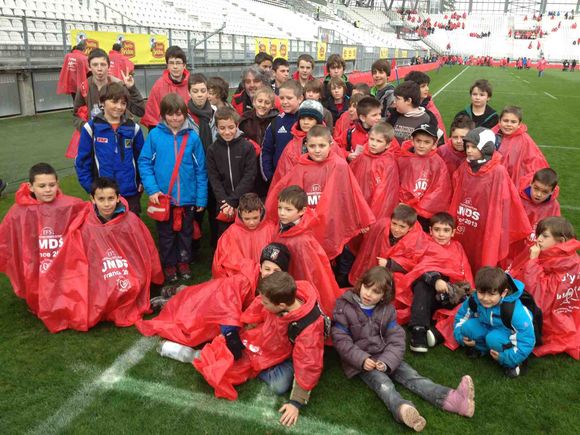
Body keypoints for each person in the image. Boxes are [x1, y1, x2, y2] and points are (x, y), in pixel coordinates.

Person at [333, 266, 475, 432]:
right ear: (360, 284)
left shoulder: (387, 310)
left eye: (375, 292)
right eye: (367, 287)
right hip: (362, 362)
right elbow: (341, 340)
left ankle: (455, 400)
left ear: (383, 296)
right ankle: (403, 409)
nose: (368, 294)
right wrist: (362, 360)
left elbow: (397, 339)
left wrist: (387, 361)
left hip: (385, 355)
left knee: (413, 377)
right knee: (383, 384)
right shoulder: (344, 306)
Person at [193, 271, 325, 430]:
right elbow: (257, 307)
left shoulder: (308, 329)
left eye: (266, 303)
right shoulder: (279, 295)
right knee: (232, 349)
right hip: (269, 339)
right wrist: (245, 325)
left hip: (289, 354)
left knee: (279, 385)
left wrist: (296, 402)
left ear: (281, 306)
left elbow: (309, 363)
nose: (262, 303)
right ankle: (261, 365)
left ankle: (260, 367)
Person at [137, 243, 291, 349]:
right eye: (267, 269)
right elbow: (228, 303)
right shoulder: (245, 280)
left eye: (276, 271)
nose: (270, 274)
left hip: (218, 296)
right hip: (217, 298)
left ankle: (175, 293)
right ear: (260, 267)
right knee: (193, 317)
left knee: (194, 298)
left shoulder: (279, 286)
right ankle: (167, 301)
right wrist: (230, 331)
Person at [266, 126, 375, 261]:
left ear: (330, 144)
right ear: (306, 145)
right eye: (312, 146)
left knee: (329, 262)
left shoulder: (339, 165)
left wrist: (361, 219)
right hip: (307, 226)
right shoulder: (300, 167)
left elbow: (351, 194)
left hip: (332, 224)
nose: (317, 150)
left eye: (322, 145)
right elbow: (285, 191)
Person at [0, 163, 86, 332]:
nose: (47, 190)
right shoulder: (19, 211)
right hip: (35, 260)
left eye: (51, 185)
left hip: (61, 259)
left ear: (57, 184)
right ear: (30, 186)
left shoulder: (69, 205)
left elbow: (89, 216)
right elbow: (7, 237)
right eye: (42, 186)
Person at [138, 93, 208, 283]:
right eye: (170, 114)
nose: (175, 118)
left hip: (187, 198)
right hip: (162, 198)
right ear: (163, 115)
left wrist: (201, 198)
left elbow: (201, 169)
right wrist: (152, 189)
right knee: (166, 235)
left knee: (186, 234)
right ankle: (169, 265)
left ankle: (184, 262)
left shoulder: (193, 138)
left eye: (179, 114)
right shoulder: (154, 135)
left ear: (185, 115)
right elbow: (144, 163)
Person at [80, 177, 163, 328]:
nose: (106, 204)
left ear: (118, 198)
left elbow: (144, 249)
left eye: (111, 198)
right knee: (105, 293)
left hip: (128, 268)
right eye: (101, 199)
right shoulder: (87, 224)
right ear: (92, 199)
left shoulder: (130, 220)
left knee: (130, 287)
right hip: (103, 270)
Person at [449, 127, 531, 275]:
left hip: (485, 223)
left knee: (483, 253)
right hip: (466, 218)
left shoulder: (497, 171)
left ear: (486, 147)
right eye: (467, 147)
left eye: (474, 147)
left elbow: (505, 201)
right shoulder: (466, 166)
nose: (469, 150)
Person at [404, 212, 473, 352]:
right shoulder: (424, 243)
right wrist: (436, 280)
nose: (441, 234)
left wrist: (464, 289)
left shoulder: (457, 247)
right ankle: (418, 330)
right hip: (426, 295)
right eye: (437, 230)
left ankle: (437, 334)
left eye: (446, 230)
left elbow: (464, 271)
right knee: (422, 284)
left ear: (453, 232)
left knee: (471, 304)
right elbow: (419, 268)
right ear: (430, 231)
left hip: (450, 293)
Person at [513, 217, 580, 359]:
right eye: (538, 235)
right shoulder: (564, 257)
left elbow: (539, 296)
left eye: (544, 236)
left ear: (561, 241)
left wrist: (532, 262)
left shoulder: (563, 263)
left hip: (551, 323)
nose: (538, 239)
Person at [271, 185, 341, 317]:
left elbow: (309, 273)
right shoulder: (282, 227)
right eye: (279, 208)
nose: (282, 213)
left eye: (288, 209)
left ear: (302, 211)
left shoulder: (302, 239)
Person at [75, 82, 145, 215]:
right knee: (105, 232)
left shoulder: (133, 128)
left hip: (130, 192)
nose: (119, 107)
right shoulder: (91, 128)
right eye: (114, 102)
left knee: (130, 231)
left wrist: (141, 181)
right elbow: (82, 163)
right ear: (102, 102)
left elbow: (142, 159)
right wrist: (91, 188)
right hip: (104, 195)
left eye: (123, 103)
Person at [454, 267, 536, 377]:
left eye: (491, 294)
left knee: (493, 339)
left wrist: (506, 357)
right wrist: (460, 337)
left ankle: (515, 362)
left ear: (503, 293)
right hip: (487, 326)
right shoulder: (474, 299)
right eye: (481, 292)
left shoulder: (514, 311)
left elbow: (527, 340)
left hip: (506, 334)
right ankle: (481, 349)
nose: (485, 298)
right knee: (467, 328)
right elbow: (461, 317)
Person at [348, 205, 430, 303]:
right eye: (394, 224)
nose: (396, 229)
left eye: (402, 227)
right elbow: (368, 240)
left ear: (410, 228)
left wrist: (389, 264)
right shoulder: (382, 226)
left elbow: (413, 264)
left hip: (392, 273)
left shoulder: (416, 240)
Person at [206, 107, 257, 237]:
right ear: (216, 128)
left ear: (237, 126)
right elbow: (214, 178)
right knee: (225, 236)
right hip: (223, 204)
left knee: (246, 235)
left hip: (245, 201)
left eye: (231, 127)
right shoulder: (212, 150)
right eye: (222, 128)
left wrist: (233, 201)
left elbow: (249, 176)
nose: (227, 132)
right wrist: (225, 202)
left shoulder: (247, 147)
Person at [73, 48, 145, 131]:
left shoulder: (119, 85)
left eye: (103, 64)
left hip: (118, 134)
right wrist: (87, 128)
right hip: (95, 136)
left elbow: (140, 111)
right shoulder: (84, 87)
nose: (99, 69)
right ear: (89, 67)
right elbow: (76, 115)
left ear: (108, 66)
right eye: (95, 65)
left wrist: (132, 88)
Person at [397, 124, 451, 230]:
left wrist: (418, 208)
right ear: (412, 141)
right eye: (418, 141)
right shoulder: (402, 158)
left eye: (427, 142)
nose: (421, 145)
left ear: (434, 144)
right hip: (401, 208)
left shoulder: (437, 163)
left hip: (422, 215)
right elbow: (395, 182)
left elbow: (439, 190)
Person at [211, 193, 277, 278]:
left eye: (255, 218)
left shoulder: (271, 229)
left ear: (261, 212)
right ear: (240, 214)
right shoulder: (231, 233)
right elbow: (228, 260)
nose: (251, 222)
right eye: (247, 219)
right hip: (243, 279)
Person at [349, 122, 400, 221]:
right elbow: (350, 179)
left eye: (379, 141)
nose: (373, 144)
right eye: (371, 139)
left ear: (388, 145)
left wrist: (370, 217)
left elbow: (384, 196)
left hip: (374, 211)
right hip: (358, 205)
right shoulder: (362, 156)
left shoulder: (388, 163)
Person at [260, 80, 304, 183]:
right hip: (280, 179)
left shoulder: (309, 120)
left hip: (304, 178)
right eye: (281, 98)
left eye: (289, 98)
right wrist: (270, 177)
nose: (284, 101)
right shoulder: (276, 122)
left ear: (300, 98)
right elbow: (266, 151)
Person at [493, 106, 548, 186]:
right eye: (505, 121)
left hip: (515, 179)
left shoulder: (525, 139)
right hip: (495, 177)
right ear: (499, 121)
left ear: (519, 124)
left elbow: (534, 159)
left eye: (513, 122)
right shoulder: (492, 134)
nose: (509, 124)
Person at [141, 46, 190, 130]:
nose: (175, 67)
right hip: (164, 130)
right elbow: (152, 114)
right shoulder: (159, 85)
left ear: (184, 65)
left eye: (178, 63)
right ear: (167, 65)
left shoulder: (191, 84)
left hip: (187, 130)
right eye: (171, 63)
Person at [404, 70, 447, 142]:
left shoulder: (431, 111)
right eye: (423, 86)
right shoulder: (401, 108)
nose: (427, 89)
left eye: (427, 85)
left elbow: (440, 137)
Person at [386, 81, 434, 145]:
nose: (394, 102)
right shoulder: (394, 116)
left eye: (397, 99)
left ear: (408, 101)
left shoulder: (428, 119)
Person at [518, 168, 561, 238]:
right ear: (531, 183)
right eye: (536, 188)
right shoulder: (518, 198)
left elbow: (555, 228)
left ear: (552, 192)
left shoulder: (554, 206)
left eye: (545, 192)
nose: (538, 194)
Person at [336, 96, 382, 160]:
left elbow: (395, 152)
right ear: (363, 118)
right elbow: (336, 147)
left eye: (380, 114)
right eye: (374, 115)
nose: (379, 118)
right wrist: (347, 154)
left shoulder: (384, 133)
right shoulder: (350, 133)